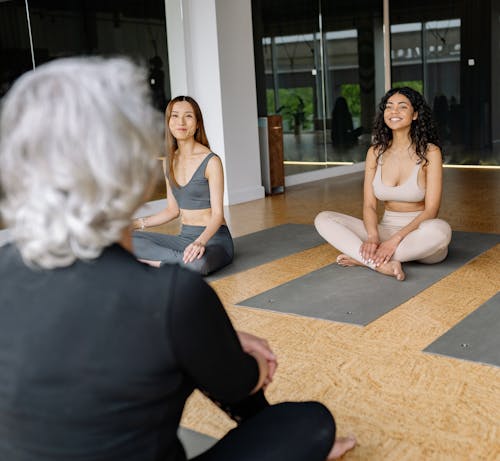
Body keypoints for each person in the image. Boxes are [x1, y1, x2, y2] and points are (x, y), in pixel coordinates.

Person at [0, 57, 356, 461]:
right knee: (312, 423)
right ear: (133, 173)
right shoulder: (173, 297)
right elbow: (242, 381)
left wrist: (203, 331)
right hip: (185, 307)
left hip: (202, 248)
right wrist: (249, 357)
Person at [316, 87, 452, 281]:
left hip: (418, 235)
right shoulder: (375, 152)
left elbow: (431, 210)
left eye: (402, 107)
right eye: (389, 107)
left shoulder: (430, 152)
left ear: (414, 115)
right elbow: (370, 206)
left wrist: (394, 241)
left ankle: (364, 259)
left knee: (440, 231)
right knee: (324, 219)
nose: (393, 111)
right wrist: (372, 237)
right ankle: (381, 263)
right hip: (384, 231)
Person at [132, 95, 233, 276]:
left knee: (199, 264)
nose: (181, 122)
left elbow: (218, 215)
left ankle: (148, 263)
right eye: (175, 116)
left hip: (214, 239)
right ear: (169, 122)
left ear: (197, 123)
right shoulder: (169, 162)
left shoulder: (211, 161)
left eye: (188, 116)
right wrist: (136, 224)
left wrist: (200, 242)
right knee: (128, 239)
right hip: (184, 238)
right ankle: (177, 261)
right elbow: (172, 210)